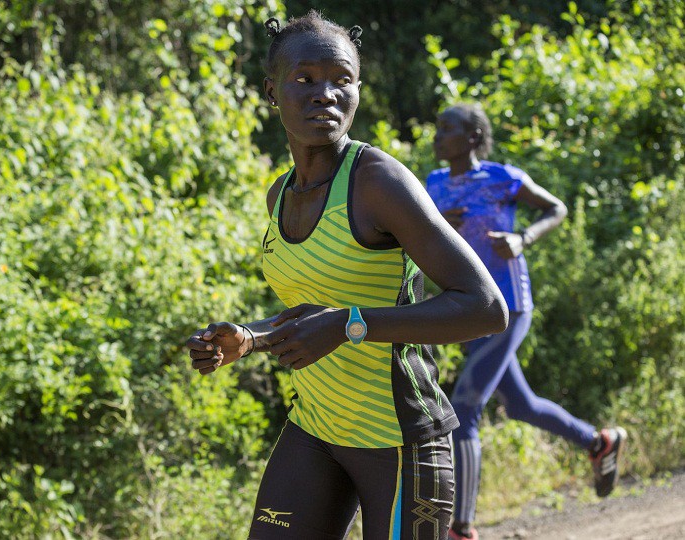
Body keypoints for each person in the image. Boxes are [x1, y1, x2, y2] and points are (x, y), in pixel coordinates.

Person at [184, 12, 509, 540]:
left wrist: (349, 326)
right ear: (272, 90)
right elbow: (315, 307)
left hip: (401, 441)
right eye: (305, 79)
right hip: (316, 428)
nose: (326, 93)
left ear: (358, 91)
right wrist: (250, 338)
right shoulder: (279, 193)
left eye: (342, 79)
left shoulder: (378, 182)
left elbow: (485, 308)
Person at [425, 103, 628, 540]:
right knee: (519, 405)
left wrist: (522, 238)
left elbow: (556, 208)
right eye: (437, 128)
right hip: (465, 310)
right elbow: (419, 236)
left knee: (464, 408)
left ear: (474, 137)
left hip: (508, 308)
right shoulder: (433, 184)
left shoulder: (502, 178)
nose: (437, 136)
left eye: (448, 129)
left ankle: (461, 528)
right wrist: (439, 221)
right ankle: (599, 442)